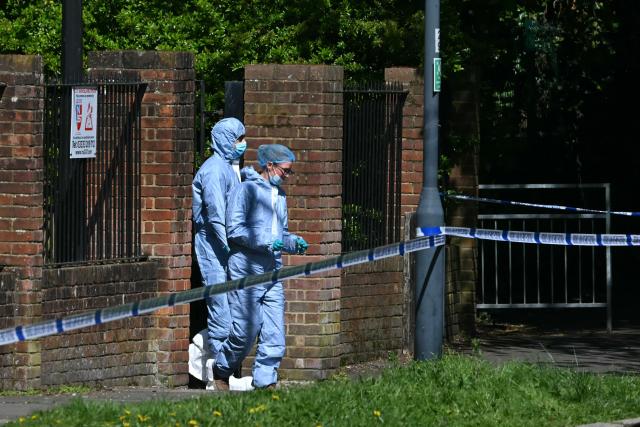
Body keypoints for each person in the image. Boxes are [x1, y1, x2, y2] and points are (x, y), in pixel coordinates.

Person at [210, 144, 308, 391]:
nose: (287, 176)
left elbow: (280, 233)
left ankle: (265, 383)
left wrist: (292, 242)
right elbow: (234, 230)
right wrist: (267, 240)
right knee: (245, 331)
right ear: (270, 166)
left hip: (272, 270)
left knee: (275, 332)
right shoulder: (245, 190)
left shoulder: (280, 196)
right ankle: (221, 369)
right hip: (246, 270)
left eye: (289, 172)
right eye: (285, 171)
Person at [190, 117, 247, 376]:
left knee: (232, 307)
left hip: (224, 245)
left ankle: (206, 351)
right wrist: (228, 246)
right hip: (213, 245)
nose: (242, 144)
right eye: (238, 139)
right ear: (225, 140)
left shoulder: (226, 168)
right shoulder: (214, 170)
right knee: (220, 307)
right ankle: (219, 375)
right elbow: (216, 214)